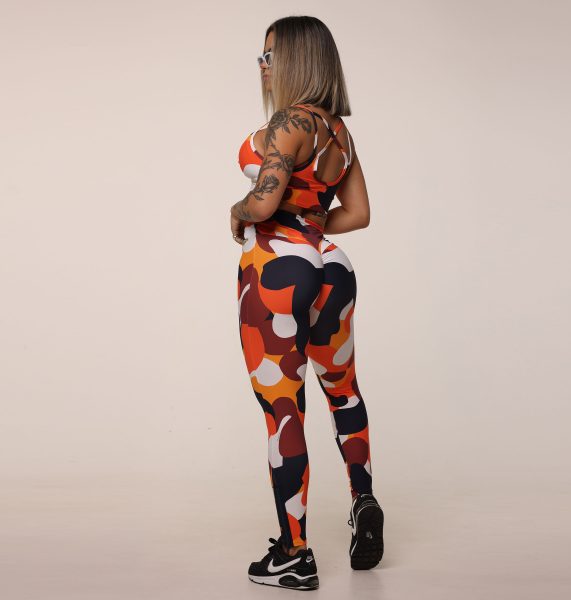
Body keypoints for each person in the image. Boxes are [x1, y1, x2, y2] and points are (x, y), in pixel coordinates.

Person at [230, 16, 384, 591]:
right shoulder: (339, 134)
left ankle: (294, 553)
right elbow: (358, 213)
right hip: (331, 265)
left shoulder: (287, 123)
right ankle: (363, 500)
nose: (263, 65)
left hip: (277, 267)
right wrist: (312, 224)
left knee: (283, 408)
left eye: (271, 55)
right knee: (343, 391)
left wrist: (237, 212)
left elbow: (263, 203)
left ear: (297, 59)